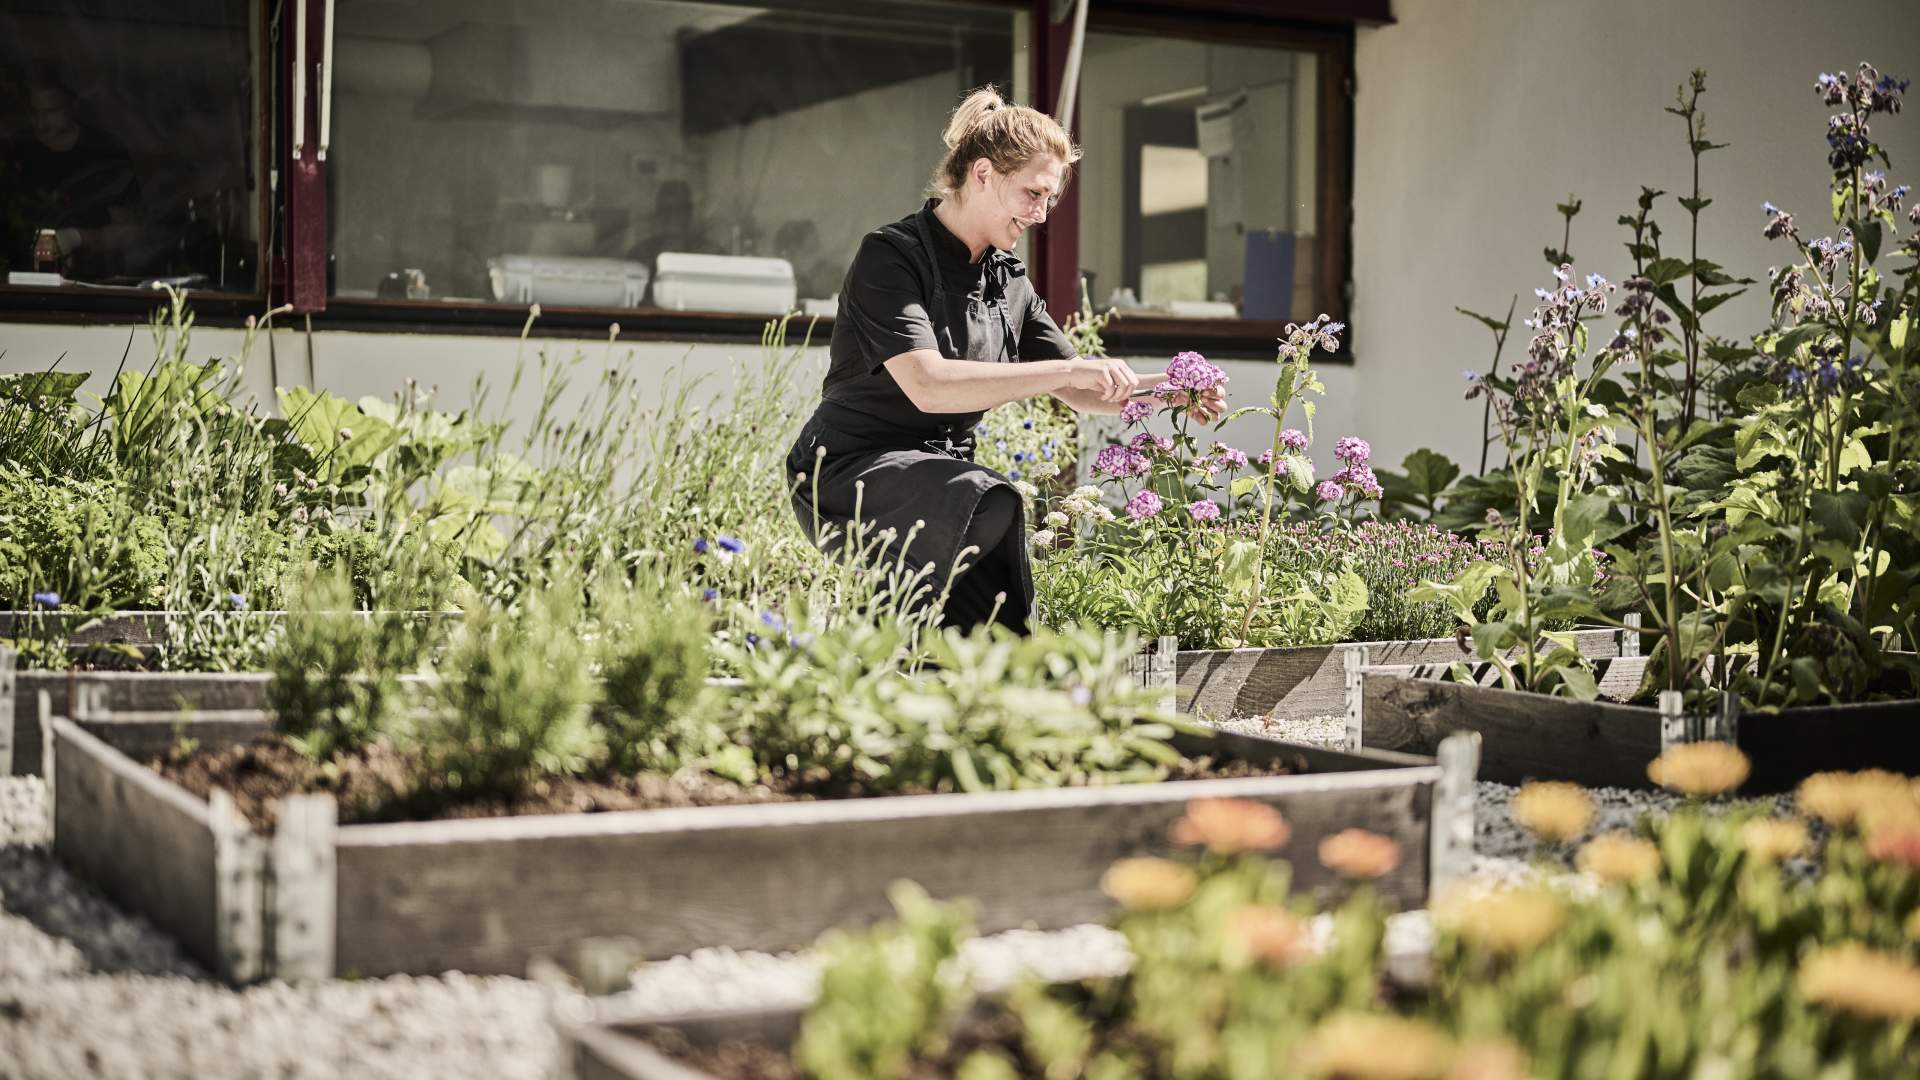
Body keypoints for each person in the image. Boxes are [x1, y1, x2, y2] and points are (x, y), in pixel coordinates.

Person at [786, 87, 1225, 634]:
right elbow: (929, 385)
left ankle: (973, 672)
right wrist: (1066, 370)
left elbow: (1082, 390)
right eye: (1034, 194)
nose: (1041, 215)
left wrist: (1171, 387)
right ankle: (902, 655)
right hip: (847, 468)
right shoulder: (891, 256)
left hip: (939, 475)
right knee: (989, 499)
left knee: (984, 511)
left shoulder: (1006, 277)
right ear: (984, 174)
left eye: (1050, 199)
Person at [2, 67, 141, 280]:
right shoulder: (15, 154)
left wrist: (78, 238)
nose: (41, 123)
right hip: (22, 285)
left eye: (51, 111)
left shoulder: (103, 152)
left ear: (71, 105)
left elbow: (130, 231)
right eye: (34, 113)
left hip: (95, 287)